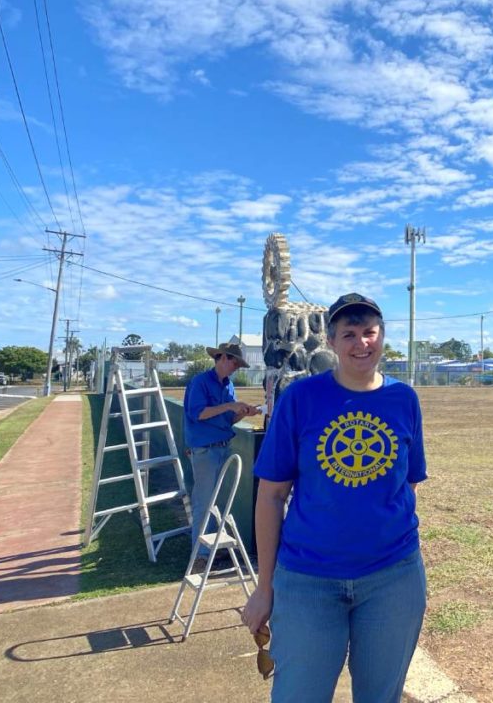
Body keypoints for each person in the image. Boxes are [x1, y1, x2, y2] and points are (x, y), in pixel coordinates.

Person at [242, 293, 428, 703]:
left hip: (392, 579)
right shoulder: (301, 399)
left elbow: (408, 485)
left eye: (369, 333)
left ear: (382, 338)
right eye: (349, 334)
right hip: (308, 579)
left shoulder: (404, 400)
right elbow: (271, 495)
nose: (361, 343)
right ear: (331, 341)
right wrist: (265, 586)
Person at [183, 342, 258, 570]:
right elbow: (199, 413)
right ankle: (201, 556)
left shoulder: (228, 386)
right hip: (206, 449)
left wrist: (242, 412)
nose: (236, 367)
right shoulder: (200, 382)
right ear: (222, 357)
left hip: (222, 447)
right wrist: (229, 406)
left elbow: (228, 420)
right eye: (234, 361)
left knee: (214, 502)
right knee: (204, 502)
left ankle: (211, 549)